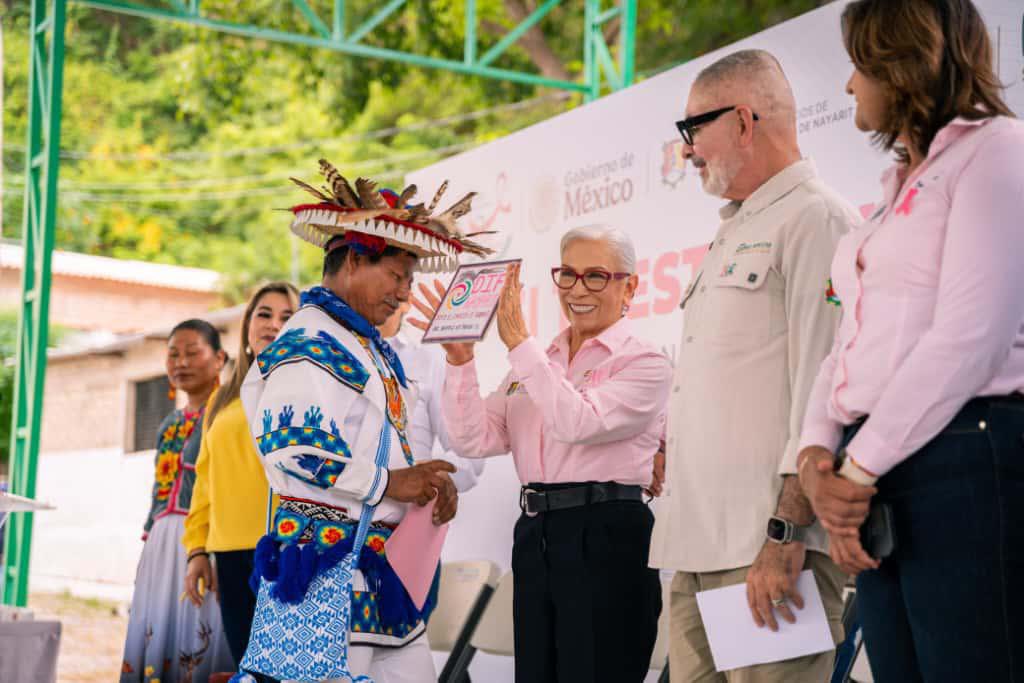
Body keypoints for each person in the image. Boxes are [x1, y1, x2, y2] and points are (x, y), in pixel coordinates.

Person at [797, 1, 1024, 680]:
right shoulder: (893, 191)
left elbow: (971, 337)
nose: (847, 86)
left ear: (900, 64)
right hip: (881, 468)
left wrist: (853, 472)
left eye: (858, 64)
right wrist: (815, 459)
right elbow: (847, 346)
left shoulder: (999, 151)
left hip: (965, 455)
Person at [647, 49, 859, 682]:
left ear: (743, 119)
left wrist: (785, 532)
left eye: (693, 130)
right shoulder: (734, 229)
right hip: (699, 547)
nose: (685, 151)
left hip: (765, 548)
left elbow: (822, 396)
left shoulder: (815, 217)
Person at [236, 162, 491, 682]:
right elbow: (295, 449)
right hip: (322, 571)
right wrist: (394, 482)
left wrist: (423, 484)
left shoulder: (361, 344)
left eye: (411, 280)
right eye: (397, 277)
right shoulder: (310, 343)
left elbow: (373, 444)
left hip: (376, 572)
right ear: (353, 260)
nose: (405, 292)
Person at [412, 224, 668, 683]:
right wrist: (459, 360)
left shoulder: (643, 360)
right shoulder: (539, 361)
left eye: (596, 276)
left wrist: (517, 344)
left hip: (608, 534)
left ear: (629, 285)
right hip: (536, 534)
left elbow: (578, 423)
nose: (577, 290)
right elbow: (474, 439)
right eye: (567, 275)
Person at [182, 282, 299, 679]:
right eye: (264, 314)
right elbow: (204, 480)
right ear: (248, 324)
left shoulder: (305, 390)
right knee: (248, 671)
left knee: (282, 674)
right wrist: (197, 549)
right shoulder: (222, 399)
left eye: (287, 317)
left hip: (284, 550)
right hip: (229, 553)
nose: (273, 324)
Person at [121, 319, 234, 683]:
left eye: (191, 353)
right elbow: (159, 491)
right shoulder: (169, 424)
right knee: (159, 634)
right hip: (161, 545)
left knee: (198, 636)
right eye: (173, 355)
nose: (180, 363)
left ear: (219, 359)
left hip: (205, 543)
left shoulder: (228, 416)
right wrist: (148, 541)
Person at [378, 301, 485, 493]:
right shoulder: (324, 355)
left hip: (411, 517)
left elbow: (469, 452)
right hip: (332, 515)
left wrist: (434, 476)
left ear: (406, 298)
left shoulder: (430, 359)